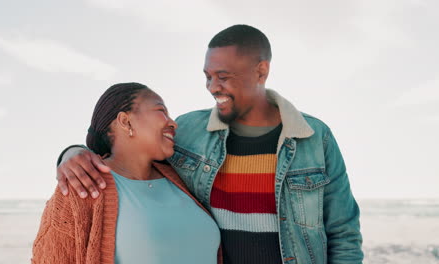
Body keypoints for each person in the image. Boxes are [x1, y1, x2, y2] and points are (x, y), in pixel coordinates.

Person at [56, 25, 363, 264]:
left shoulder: (313, 136)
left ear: (261, 70)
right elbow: (125, 154)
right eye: (208, 76)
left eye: (224, 76)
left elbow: (343, 234)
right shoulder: (191, 130)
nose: (213, 87)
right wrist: (72, 153)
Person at [33, 83, 221, 264]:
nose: (173, 123)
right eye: (161, 111)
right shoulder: (82, 186)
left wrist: (71, 150)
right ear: (125, 121)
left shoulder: (183, 176)